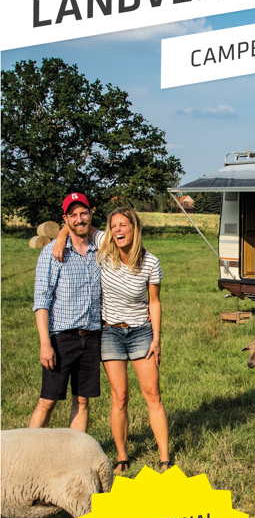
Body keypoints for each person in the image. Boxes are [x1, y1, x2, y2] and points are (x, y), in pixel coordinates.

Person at [54, 206, 169, 474]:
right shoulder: (105, 247)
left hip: (141, 331)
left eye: (123, 225)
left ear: (134, 228)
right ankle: (122, 457)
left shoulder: (150, 262)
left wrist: (157, 339)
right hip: (110, 333)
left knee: (152, 393)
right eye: (113, 225)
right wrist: (60, 239)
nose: (117, 229)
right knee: (120, 397)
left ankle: (164, 459)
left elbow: (154, 301)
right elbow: (77, 225)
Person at [30, 193, 102, 431]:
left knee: (82, 401)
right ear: (65, 219)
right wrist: (45, 344)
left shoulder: (100, 251)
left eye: (84, 213)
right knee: (48, 401)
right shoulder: (52, 252)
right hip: (62, 338)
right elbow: (42, 301)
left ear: (91, 215)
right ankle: (28, 457)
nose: (79, 219)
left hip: (92, 337)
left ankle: (75, 459)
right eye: (73, 215)